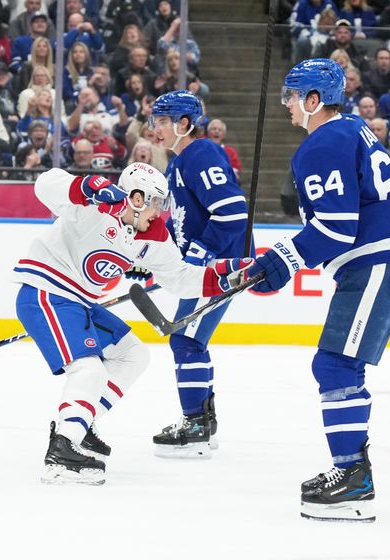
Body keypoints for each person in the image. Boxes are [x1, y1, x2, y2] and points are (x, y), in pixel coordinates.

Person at [238, 59, 390, 522]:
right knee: (340, 366)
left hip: (379, 257)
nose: (287, 104)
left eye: (293, 95)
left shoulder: (323, 141)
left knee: (334, 364)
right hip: (387, 257)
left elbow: (335, 226)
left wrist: (281, 260)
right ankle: (353, 470)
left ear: (314, 101)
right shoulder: (351, 129)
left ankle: (352, 477)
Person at [10, 162, 253, 484]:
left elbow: (180, 279)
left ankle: (80, 424)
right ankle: (63, 449)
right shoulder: (92, 209)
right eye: (156, 203)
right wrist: (88, 186)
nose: (160, 213)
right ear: (137, 197)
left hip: (79, 303)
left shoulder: (151, 236)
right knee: (89, 370)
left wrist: (229, 273)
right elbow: (45, 183)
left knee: (134, 354)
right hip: (47, 293)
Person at [148, 90, 250, 459]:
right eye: (154, 121)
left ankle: (197, 426)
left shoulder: (201, 153)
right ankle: (200, 423)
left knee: (185, 342)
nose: (154, 129)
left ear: (184, 124)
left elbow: (233, 212)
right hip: (205, 269)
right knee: (190, 341)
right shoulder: (178, 163)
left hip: (216, 270)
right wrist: (156, 265)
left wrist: (200, 254)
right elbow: (183, 227)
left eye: (161, 121)